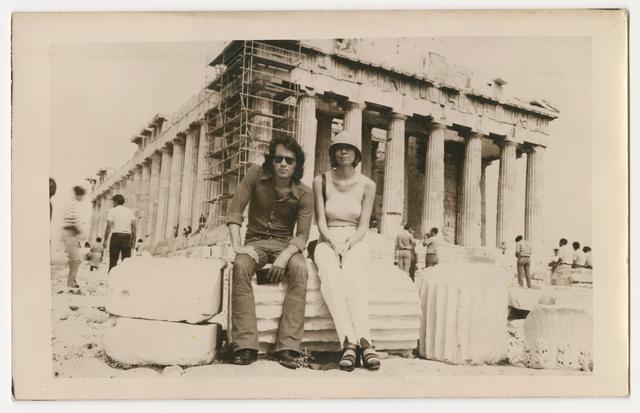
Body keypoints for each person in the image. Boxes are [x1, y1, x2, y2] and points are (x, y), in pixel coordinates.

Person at [226, 135, 313, 369]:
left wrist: (284, 258)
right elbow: (235, 211)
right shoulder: (255, 175)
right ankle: (245, 346)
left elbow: (302, 235)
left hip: (286, 244)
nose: (283, 164)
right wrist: (237, 247)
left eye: (289, 160)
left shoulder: (305, 193)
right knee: (241, 264)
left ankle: (288, 347)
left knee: (300, 268)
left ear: (297, 165)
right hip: (255, 242)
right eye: (278, 159)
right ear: (271, 161)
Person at [313, 130, 380, 372]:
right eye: (339, 148)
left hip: (355, 239)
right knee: (330, 277)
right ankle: (348, 342)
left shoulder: (368, 185)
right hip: (327, 238)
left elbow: (363, 226)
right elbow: (321, 222)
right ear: (333, 153)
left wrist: (350, 243)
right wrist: (332, 242)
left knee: (353, 275)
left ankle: (365, 340)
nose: (343, 151)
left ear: (356, 154)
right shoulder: (320, 181)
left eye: (349, 148)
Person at [103, 194, 136, 272]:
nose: (112, 204)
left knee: (113, 261)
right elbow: (133, 227)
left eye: (113, 202)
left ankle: (111, 278)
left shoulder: (112, 211)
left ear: (116, 201)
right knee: (126, 262)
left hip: (116, 237)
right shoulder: (130, 211)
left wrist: (105, 240)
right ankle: (124, 278)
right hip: (127, 237)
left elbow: (108, 226)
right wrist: (133, 239)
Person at [61, 186, 87, 288]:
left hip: (70, 234)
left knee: (75, 259)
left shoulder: (71, 203)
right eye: (83, 196)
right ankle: (71, 283)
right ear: (80, 195)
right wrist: (82, 232)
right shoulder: (74, 204)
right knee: (76, 259)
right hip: (70, 233)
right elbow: (73, 221)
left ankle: (71, 282)